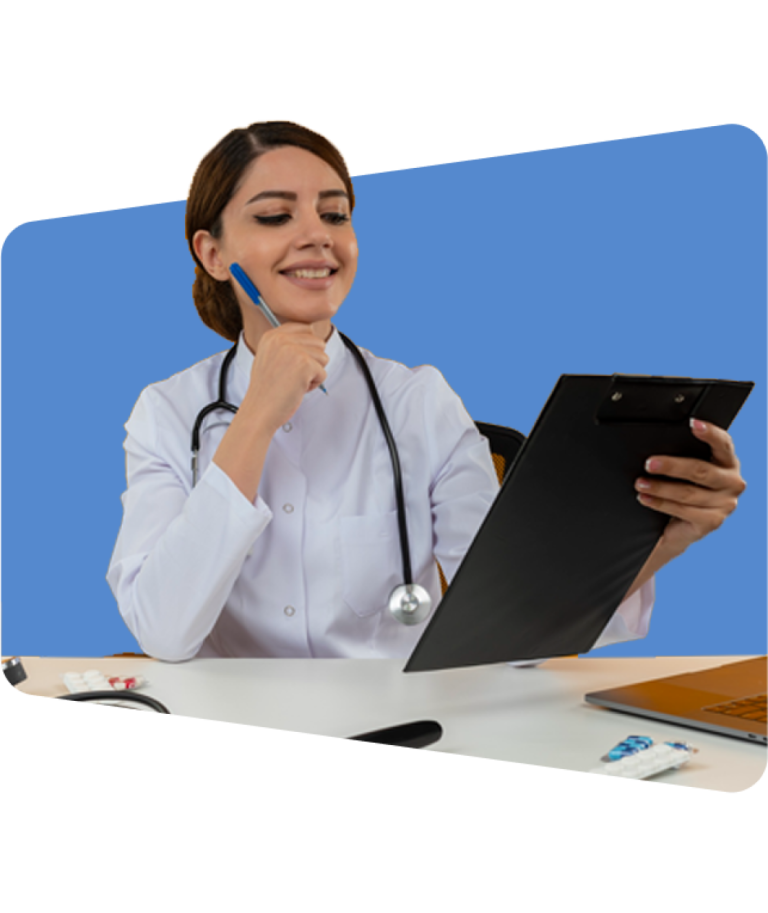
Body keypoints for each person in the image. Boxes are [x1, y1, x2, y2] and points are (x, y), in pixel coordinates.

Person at [106, 119, 748, 663]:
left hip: (399, 724)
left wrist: (662, 540)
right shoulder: (167, 413)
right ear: (214, 254)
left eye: (335, 213)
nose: (318, 235)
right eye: (276, 215)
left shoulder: (419, 401)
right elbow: (163, 633)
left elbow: (516, 622)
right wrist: (255, 421)